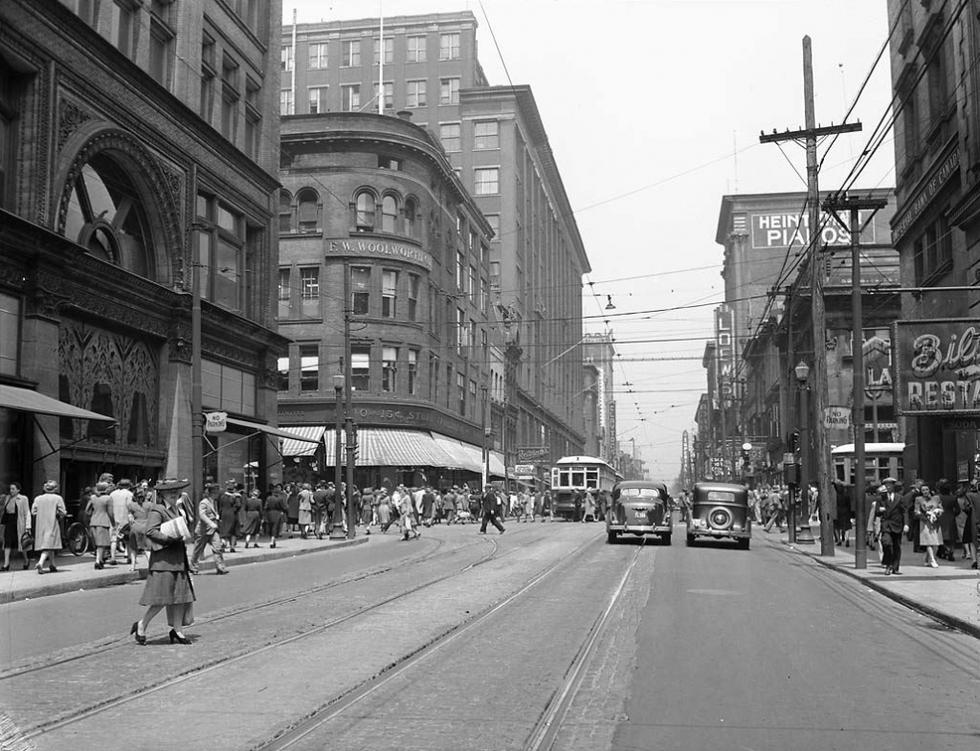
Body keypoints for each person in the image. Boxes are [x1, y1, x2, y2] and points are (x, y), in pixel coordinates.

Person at [132, 478, 196, 645]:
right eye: (170, 491)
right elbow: (150, 531)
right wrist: (168, 539)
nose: (175, 494)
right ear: (162, 494)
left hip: (178, 560)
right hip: (163, 561)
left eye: (177, 491)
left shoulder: (178, 510)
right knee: (162, 598)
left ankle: (178, 630)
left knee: (180, 597)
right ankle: (142, 624)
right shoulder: (158, 510)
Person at [190, 483, 228, 575]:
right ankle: (193, 567)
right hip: (203, 530)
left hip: (213, 530)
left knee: (217, 548)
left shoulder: (214, 502)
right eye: (217, 492)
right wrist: (210, 523)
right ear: (213, 493)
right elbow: (202, 515)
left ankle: (220, 567)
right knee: (198, 549)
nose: (219, 494)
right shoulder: (204, 502)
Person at [31, 480, 66, 574]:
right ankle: (40, 562)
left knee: (49, 544)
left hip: (41, 524)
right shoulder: (57, 498)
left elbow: (33, 512)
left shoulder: (38, 498)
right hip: (52, 523)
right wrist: (57, 514)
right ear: (55, 488)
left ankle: (52, 565)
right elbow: (63, 512)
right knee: (48, 545)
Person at [878, 477, 908, 576]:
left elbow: (904, 512)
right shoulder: (881, 498)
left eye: (890, 485)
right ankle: (888, 565)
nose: (888, 487)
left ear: (893, 486)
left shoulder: (900, 498)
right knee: (886, 543)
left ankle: (895, 567)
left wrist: (906, 524)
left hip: (897, 524)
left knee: (896, 546)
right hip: (886, 524)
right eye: (886, 485)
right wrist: (880, 510)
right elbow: (876, 512)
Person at [2, 482, 32, 571]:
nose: (11, 491)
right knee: (7, 543)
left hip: (19, 522)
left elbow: (27, 512)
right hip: (9, 523)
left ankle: (26, 560)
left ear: (18, 490)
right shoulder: (7, 498)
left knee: (22, 543)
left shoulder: (23, 498)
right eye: (10, 489)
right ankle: (6, 564)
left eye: (13, 489)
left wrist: (28, 526)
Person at [85, 481, 115, 570]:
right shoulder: (108, 498)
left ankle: (100, 559)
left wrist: (91, 515)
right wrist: (113, 523)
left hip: (93, 521)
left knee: (97, 543)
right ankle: (98, 561)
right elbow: (110, 513)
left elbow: (87, 510)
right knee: (101, 544)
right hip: (103, 521)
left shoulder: (93, 497)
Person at [913, 483, 942, 568]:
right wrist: (925, 514)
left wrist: (937, 511)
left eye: (926, 490)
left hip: (935, 522)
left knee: (936, 543)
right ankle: (933, 560)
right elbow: (916, 511)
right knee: (929, 542)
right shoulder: (918, 499)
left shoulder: (936, 498)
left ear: (930, 490)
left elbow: (941, 508)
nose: (925, 492)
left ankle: (926, 558)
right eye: (923, 490)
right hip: (925, 522)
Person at [109, 478, 134, 565]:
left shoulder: (112, 494)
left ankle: (113, 558)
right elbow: (130, 506)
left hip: (114, 519)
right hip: (125, 519)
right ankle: (129, 557)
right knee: (128, 539)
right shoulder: (129, 494)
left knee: (114, 539)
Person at [126, 489, 150, 572]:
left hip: (135, 527)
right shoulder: (150, 505)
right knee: (147, 548)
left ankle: (133, 566)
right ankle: (151, 566)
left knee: (133, 547)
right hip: (146, 526)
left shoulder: (131, 505)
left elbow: (130, 518)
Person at [936, 479, 959, 561]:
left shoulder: (938, 497)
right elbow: (957, 510)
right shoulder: (953, 498)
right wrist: (953, 514)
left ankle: (947, 550)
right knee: (952, 537)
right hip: (951, 517)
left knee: (941, 536)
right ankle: (951, 551)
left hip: (941, 517)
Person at [217, 479, 241, 552]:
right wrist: (235, 510)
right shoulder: (236, 496)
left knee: (224, 528)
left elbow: (219, 506)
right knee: (233, 530)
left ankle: (223, 544)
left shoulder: (222, 496)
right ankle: (232, 546)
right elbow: (239, 505)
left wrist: (220, 514)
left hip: (224, 513)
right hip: (232, 514)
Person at [833, 481, 853, 547]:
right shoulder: (847, 496)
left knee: (837, 526)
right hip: (846, 511)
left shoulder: (836, 496)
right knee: (847, 526)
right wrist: (850, 513)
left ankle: (839, 540)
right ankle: (847, 539)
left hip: (838, 511)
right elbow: (849, 505)